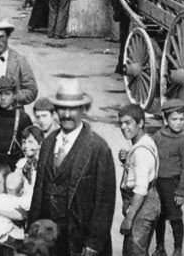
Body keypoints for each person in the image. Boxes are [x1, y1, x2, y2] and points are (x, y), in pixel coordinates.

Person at [26, 80, 117, 256]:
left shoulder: (98, 148)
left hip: (79, 237)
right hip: (49, 236)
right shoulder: (49, 142)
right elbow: (39, 191)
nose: (67, 115)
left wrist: (94, 242)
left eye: (73, 109)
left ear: (83, 110)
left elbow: (104, 203)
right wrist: (33, 229)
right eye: (62, 109)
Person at [116, 104, 160, 256]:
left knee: (134, 252)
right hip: (148, 202)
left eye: (127, 123)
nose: (123, 127)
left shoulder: (141, 152)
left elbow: (141, 189)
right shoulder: (145, 142)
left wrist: (129, 219)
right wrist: (126, 159)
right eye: (120, 123)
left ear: (140, 123)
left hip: (142, 204)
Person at [152, 100, 184, 256]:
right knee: (159, 216)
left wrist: (181, 191)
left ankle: (178, 249)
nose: (178, 123)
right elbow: (149, 153)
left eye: (181, 119)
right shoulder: (158, 136)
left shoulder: (183, 140)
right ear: (166, 120)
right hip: (157, 183)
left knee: (175, 217)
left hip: (172, 184)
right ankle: (160, 247)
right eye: (174, 119)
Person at [0, 20, 38, 108]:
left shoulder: (19, 60)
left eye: (1, 37)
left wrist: (12, 98)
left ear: (7, 37)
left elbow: (32, 90)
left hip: (12, 109)